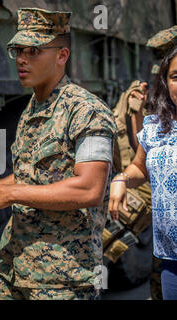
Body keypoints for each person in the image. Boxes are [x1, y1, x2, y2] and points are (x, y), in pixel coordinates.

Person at [0, 8, 117, 300]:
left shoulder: (87, 111)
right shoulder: (32, 108)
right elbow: (30, 176)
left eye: (33, 51)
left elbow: (89, 188)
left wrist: (12, 195)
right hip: (14, 268)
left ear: (61, 55)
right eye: (17, 50)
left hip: (61, 279)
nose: (22, 60)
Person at [107, 25, 176, 300]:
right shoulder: (157, 124)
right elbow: (140, 163)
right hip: (169, 258)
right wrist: (121, 178)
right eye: (174, 76)